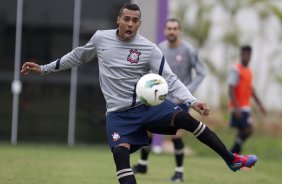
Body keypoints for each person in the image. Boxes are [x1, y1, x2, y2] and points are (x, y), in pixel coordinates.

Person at [21, 4, 258, 184]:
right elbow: (77, 56)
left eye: (135, 20)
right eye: (126, 19)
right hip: (118, 115)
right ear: (119, 20)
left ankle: (232, 159)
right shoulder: (101, 38)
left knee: (186, 119)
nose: (130, 24)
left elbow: (170, 77)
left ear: (139, 23)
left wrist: (192, 101)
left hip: (147, 107)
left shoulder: (148, 49)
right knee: (121, 158)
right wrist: (43, 69)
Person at [132, 18, 205, 182]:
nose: (171, 31)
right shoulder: (160, 48)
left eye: (175, 29)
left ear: (179, 31)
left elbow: (201, 73)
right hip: (160, 97)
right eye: (169, 28)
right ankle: (143, 164)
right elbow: (153, 70)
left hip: (180, 100)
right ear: (165, 31)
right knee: (148, 128)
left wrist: (188, 93)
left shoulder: (188, 50)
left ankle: (179, 172)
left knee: (176, 136)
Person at [229, 45, 266, 154]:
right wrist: (236, 107)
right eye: (244, 54)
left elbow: (252, 91)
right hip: (238, 107)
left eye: (248, 54)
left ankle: (236, 158)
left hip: (246, 106)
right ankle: (232, 153)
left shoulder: (249, 71)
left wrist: (260, 105)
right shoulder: (236, 69)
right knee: (248, 130)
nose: (247, 56)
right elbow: (230, 89)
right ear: (241, 55)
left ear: (251, 56)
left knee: (241, 132)